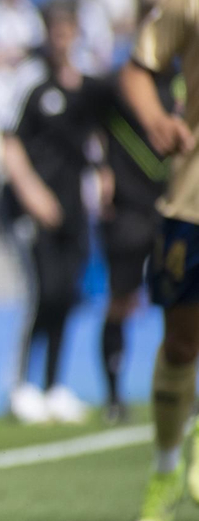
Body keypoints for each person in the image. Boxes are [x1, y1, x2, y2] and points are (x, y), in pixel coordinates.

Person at [1, 1, 112, 425]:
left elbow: (96, 138)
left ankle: (54, 385)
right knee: (43, 293)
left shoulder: (86, 84)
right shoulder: (30, 81)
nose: (63, 40)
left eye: (69, 31)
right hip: (36, 204)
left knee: (67, 294)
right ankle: (22, 385)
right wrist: (32, 193)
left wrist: (102, 176)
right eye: (56, 31)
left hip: (73, 203)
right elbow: (10, 141)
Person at [119, 0, 199, 521]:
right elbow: (138, 69)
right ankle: (166, 470)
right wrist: (154, 119)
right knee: (181, 343)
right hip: (192, 200)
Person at [95, 66, 178, 424]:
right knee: (121, 301)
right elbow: (84, 115)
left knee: (183, 306)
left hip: (175, 208)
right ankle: (114, 396)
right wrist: (99, 167)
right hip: (128, 211)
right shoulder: (118, 83)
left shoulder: (183, 80)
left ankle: (181, 391)